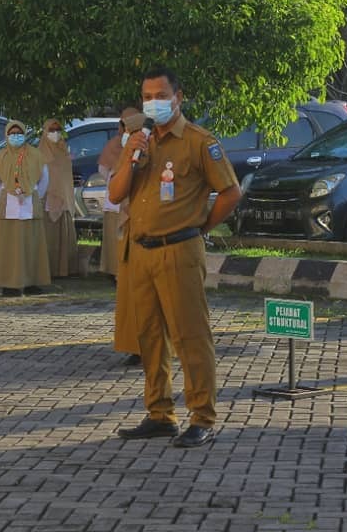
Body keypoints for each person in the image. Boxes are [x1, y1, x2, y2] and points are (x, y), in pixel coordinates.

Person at [108, 67, 241, 448]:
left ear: (178, 97)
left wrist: (199, 228)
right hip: (141, 251)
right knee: (148, 337)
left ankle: (202, 416)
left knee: (190, 336)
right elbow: (116, 194)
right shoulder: (138, 140)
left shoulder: (199, 142)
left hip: (179, 250)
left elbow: (230, 193)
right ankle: (159, 413)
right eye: (147, 96)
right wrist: (132, 155)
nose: (153, 102)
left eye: (160, 95)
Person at [0, 120, 51, 296]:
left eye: (19, 133)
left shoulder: (36, 155)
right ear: (6, 135)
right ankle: (9, 283)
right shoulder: (1, 156)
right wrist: (6, 195)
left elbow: (44, 179)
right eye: (12, 133)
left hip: (31, 202)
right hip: (8, 204)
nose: (16, 136)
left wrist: (35, 195)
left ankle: (31, 281)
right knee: (8, 246)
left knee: (31, 243)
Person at [104, 108, 147, 366]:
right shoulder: (126, 156)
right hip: (132, 232)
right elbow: (116, 192)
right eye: (124, 131)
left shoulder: (159, 155)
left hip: (155, 232)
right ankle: (135, 345)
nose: (126, 136)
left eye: (131, 131)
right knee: (132, 294)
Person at [40, 119, 79, 277]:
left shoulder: (63, 150)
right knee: (49, 237)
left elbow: (66, 177)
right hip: (47, 199)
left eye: (57, 129)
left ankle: (64, 269)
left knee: (64, 236)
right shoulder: (40, 153)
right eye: (51, 129)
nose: (55, 133)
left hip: (64, 200)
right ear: (45, 132)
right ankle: (48, 269)